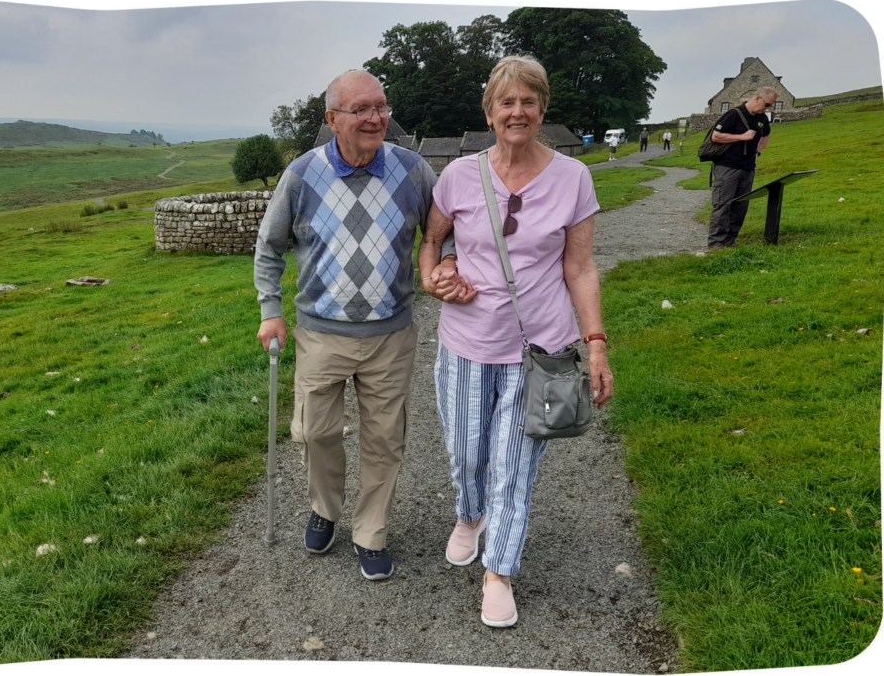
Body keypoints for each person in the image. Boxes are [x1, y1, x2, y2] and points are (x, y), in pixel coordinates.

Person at [417, 55, 615, 628]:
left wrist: (595, 345)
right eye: (507, 102)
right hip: (465, 346)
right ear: (490, 111)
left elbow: (580, 268)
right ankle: (468, 515)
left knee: (513, 466)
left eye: (529, 101)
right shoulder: (458, 176)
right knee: (467, 452)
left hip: (540, 354)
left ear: (542, 109)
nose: (518, 112)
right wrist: (435, 277)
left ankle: (498, 572)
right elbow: (432, 242)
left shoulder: (574, 178)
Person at [254, 69, 457, 581]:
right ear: (332, 119)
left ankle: (372, 532)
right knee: (313, 431)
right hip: (321, 333)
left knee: (384, 439)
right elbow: (269, 246)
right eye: (362, 109)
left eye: (381, 107)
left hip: (391, 334)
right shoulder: (301, 175)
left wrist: (447, 262)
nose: (375, 118)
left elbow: (446, 230)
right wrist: (270, 310)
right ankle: (325, 509)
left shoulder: (413, 171)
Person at [707, 87, 776, 248]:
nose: (766, 109)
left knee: (740, 206)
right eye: (766, 104)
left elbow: (767, 134)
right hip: (727, 167)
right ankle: (716, 243)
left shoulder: (761, 119)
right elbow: (716, 136)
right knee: (723, 205)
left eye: (770, 106)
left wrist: (758, 152)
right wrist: (741, 137)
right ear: (757, 98)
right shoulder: (733, 115)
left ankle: (730, 241)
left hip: (747, 168)